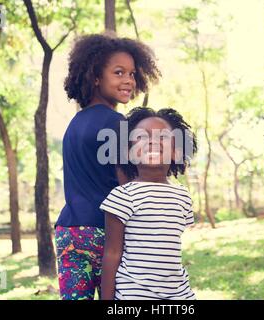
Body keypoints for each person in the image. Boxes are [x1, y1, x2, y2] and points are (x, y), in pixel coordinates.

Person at [55, 34, 160, 300]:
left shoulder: (74, 124)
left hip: (70, 232)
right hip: (106, 232)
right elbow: (128, 186)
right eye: (119, 72)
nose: (128, 80)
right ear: (95, 77)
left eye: (133, 74)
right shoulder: (118, 123)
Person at [100, 107, 198, 300]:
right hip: (134, 295)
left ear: (176, 152)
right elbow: (112, 254)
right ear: (129, 153)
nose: (152, 141)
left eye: (163, 137)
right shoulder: (122, 196)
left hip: (179, 295)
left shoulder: (183, 196)